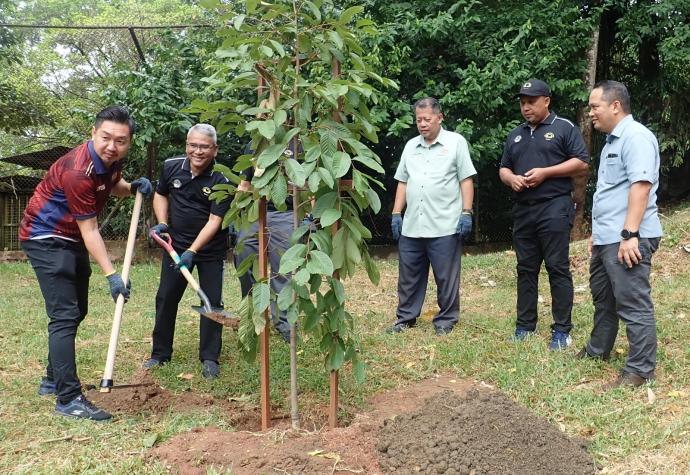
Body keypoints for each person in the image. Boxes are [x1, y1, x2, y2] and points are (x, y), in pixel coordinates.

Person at [20, 105, 152, 421]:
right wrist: (112, 274)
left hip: (70, 238)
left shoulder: (110, 162)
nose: (112, 146)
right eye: (106, 137)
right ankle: (68, 398)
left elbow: (111, 186)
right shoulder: (78, 170)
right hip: (46, 237)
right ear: (93, 134)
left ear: (128, 143)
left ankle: (53, 379)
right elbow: (90, 228)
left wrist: (132, 186)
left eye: (120, 141)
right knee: (65, 315)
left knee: (78, 309)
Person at [579, 80, 662, 389]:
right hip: (608, 238)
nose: (591, 113)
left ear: (615, 106)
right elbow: (611, 193)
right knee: (604, 298)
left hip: (628, 237)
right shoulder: (613, 141)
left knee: (632, 302)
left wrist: (630, 234)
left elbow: (641, 186)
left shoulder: (636, 137)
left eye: (594, 106)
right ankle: (598, 349)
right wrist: (598, 235)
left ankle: (640, 369)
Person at [499, 79, 589, 350]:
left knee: (557, 267)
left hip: (554, 206)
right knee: (525, 268)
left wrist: (546, 173)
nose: (526, 108)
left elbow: (582, 162)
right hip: (523, 209)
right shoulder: (515, 134)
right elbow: (503, 167)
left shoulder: (564, 127)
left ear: (546, 101)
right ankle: (525, 326)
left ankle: (562, 330)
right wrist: (511, 178)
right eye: (523, 103)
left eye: (532, 102)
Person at [144, 124, 231, 379]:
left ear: (215, 150)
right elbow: (160, 194)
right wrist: (162, 223)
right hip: (175, 245)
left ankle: (210, 358)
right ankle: (160, 354)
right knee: (166, 297)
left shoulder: (221, 180)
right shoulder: (171, 166)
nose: (198, 151)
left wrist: (193, 250)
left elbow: (214, 221)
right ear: (186, 145)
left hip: (210, 250)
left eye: (204, 146)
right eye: (193, 145)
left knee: (211, 302)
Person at [388, 97, 476, 336]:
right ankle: (405, 318)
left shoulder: (456, 142)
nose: (423, 124)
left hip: (445, 223)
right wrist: (397, 213)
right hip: (413, 225)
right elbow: (403, 181)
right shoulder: (410, 146)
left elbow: (465, 179)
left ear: (440, 117)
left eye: (427, 119)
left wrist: (466, 212)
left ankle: (446, 319)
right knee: (408, 277)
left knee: (446, 277)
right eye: (418, 120)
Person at [233, 141, 301, 343]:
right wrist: (235, 211)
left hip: (286, 212)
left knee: (283, 270)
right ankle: (253, 317)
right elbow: (245, 183)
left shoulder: (298, 142)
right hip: (255, 212)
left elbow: (308, 183)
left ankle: (284, 324)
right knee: (243, 255)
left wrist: (311, 216)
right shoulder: (253, 143)